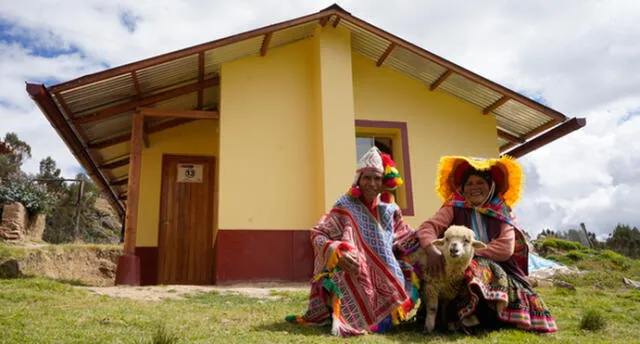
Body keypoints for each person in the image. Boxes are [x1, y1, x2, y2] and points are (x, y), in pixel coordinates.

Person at [285, 146, 421, 337]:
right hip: (353, 269)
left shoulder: (390, 208)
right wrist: (337, 254)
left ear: (383, 182)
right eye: (367, 177)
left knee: (409, 272)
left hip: (387, 269)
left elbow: (404, 236)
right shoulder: (345, 204)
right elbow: (319, 233)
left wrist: (428, 242)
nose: (371, 183)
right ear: (358, 180)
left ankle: (384, 318)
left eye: (377, 178)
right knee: (348, 274)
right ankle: (354, 317)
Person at [415, 155, 557, 333]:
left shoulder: (502, 211)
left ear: (490, 186)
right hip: (455, 261)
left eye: (480, 182)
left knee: (478, 268)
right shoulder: (453, 206)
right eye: (469, 183)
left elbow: (505, 248)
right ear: (463, 187)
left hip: (500, 266)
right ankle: (458, 317)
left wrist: (469, 252)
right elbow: (428, 227)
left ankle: (482, 317)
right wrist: (431, 249)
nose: (474, 187)